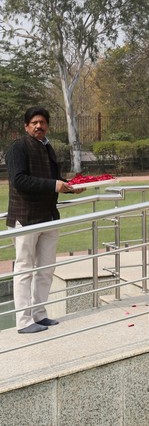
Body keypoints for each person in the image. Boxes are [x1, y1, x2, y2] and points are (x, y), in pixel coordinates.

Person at [6, 106, 84, 333]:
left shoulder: (47, 146)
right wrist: (53, 185)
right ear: (26, 126)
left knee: (46, 269)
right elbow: (19, 180)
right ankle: (23, 321)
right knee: (24, 270)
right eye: (34, 123)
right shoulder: (18, 148)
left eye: (43, 122)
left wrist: (70, 187)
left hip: (48, 217)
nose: (39, 126)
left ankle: (39, 315)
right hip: (26, 217)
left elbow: (53, 179)